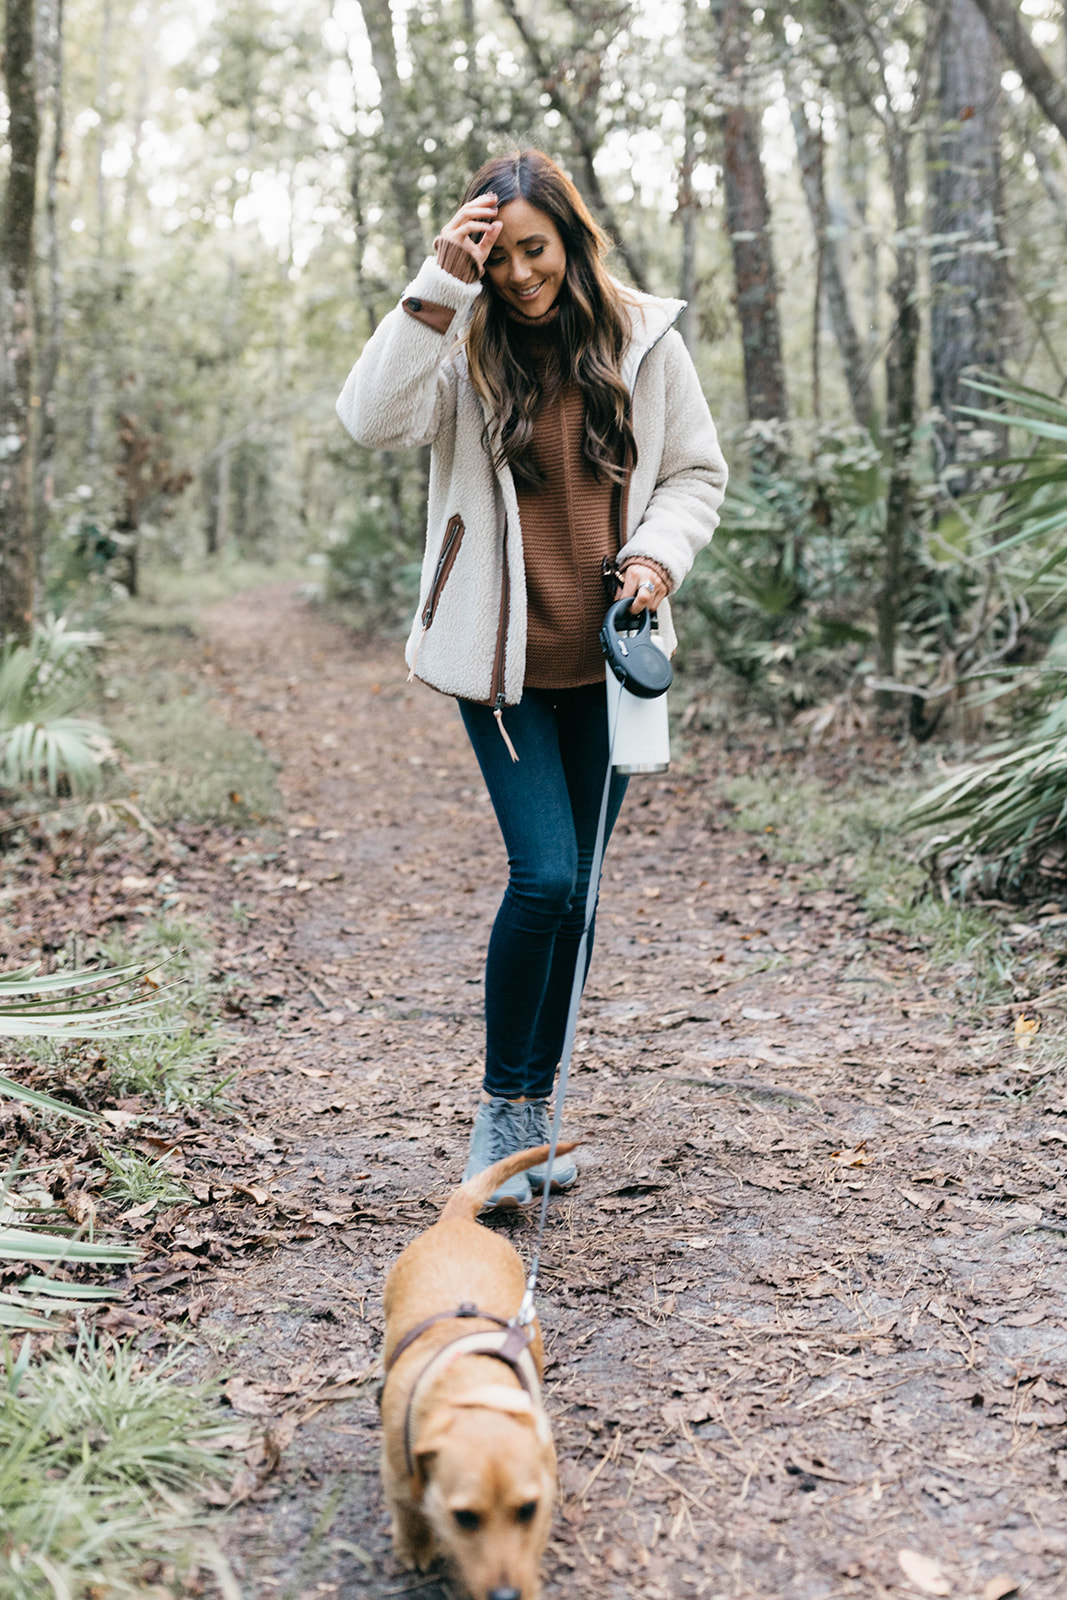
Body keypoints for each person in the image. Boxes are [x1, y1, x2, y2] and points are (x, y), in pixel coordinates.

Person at [337, 149, 727, 1209]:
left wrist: (655, 556)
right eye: (495, 254)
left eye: (533, 250)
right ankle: (504, 1112)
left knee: (583, 894)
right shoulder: (457, 345)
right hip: (499, 666)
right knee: (547, 878)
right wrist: (436, 284)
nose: (516, 274)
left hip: (610, 662)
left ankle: (537, 1115)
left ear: (571, 239)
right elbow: (368, 420)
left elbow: (694, 472)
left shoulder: (643, 340)